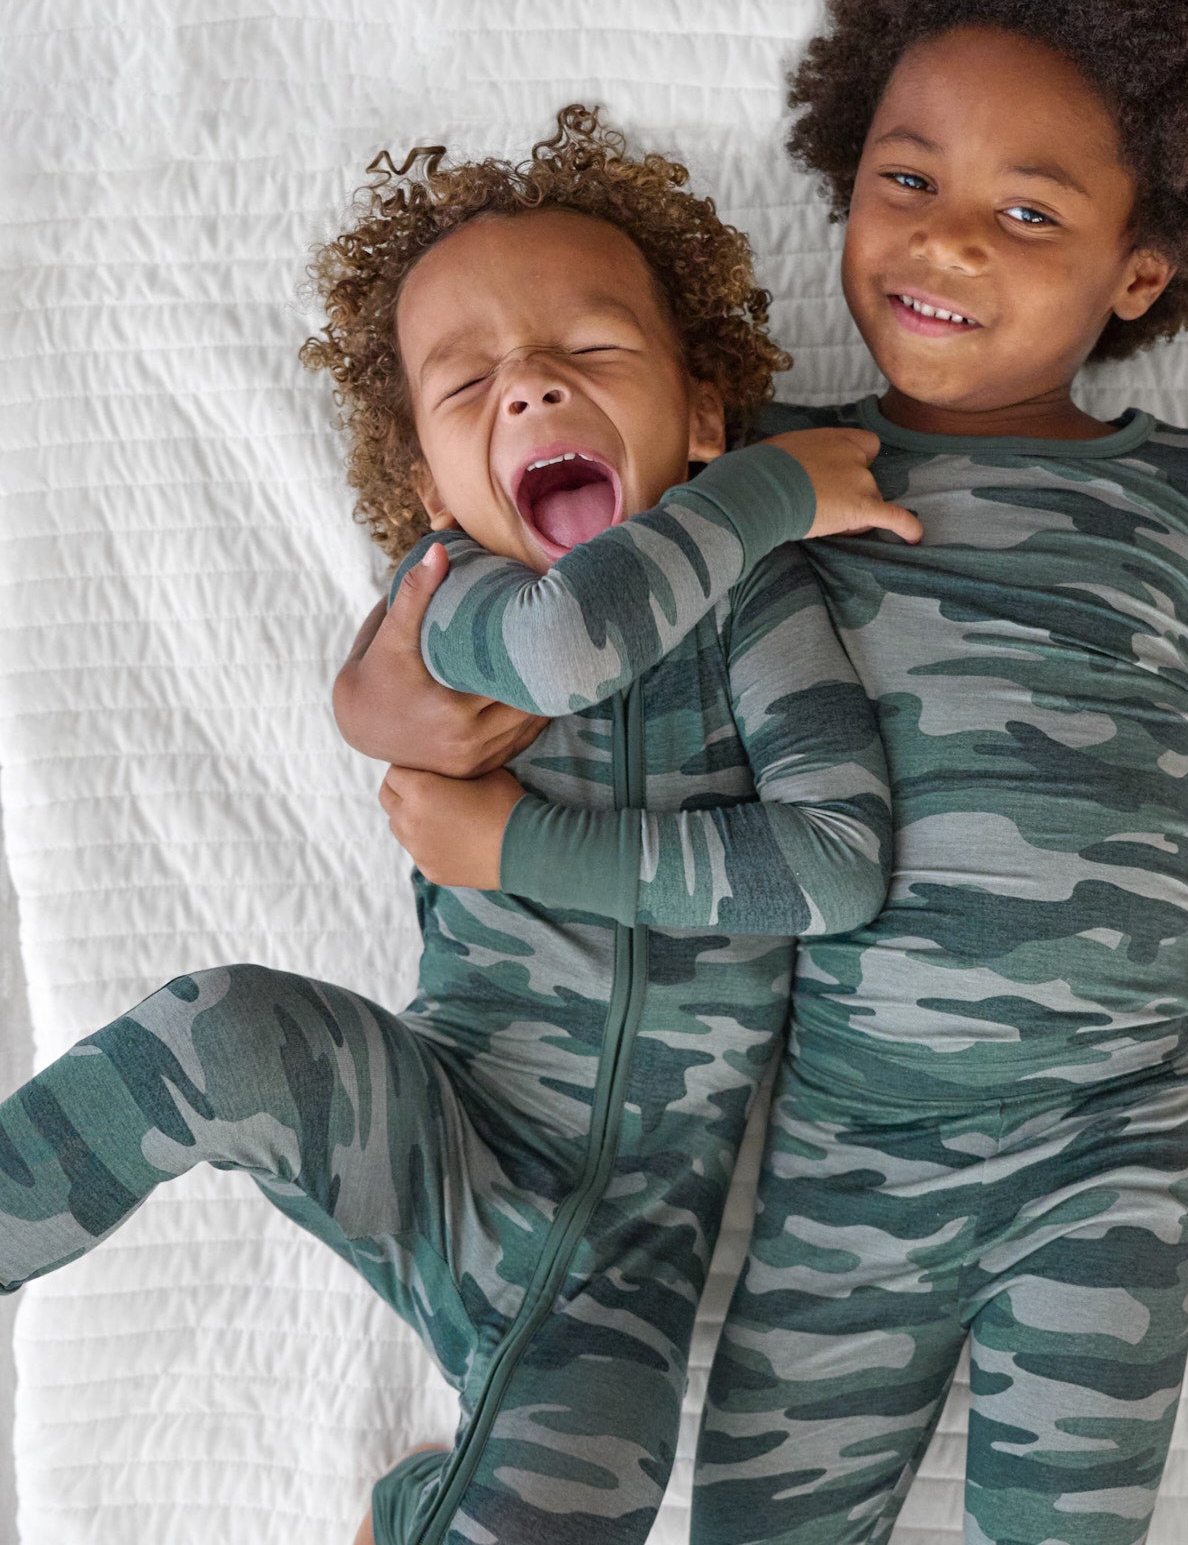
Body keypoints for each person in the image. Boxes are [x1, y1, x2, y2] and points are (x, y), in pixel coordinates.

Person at [335, 0, 1188, 1544]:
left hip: (1112, 1149)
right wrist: (376, 713)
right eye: (910, 177)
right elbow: (507, 623)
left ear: (1139, 272)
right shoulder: (754, 477)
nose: (947, 234)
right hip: (840, 1150)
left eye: (1030, 211)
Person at [0, 106, 915, 1545]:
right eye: (470, 381)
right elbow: (572, 651)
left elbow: (834, 867)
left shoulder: (761, 600)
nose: (534, 389)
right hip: (440, 1134)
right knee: (219, 1030)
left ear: (702, 412)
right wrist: (776, 486)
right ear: (429, 482)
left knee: (572, 1498)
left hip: (631, 1263)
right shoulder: (463, 596)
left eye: (592, 351)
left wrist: (511, 851)